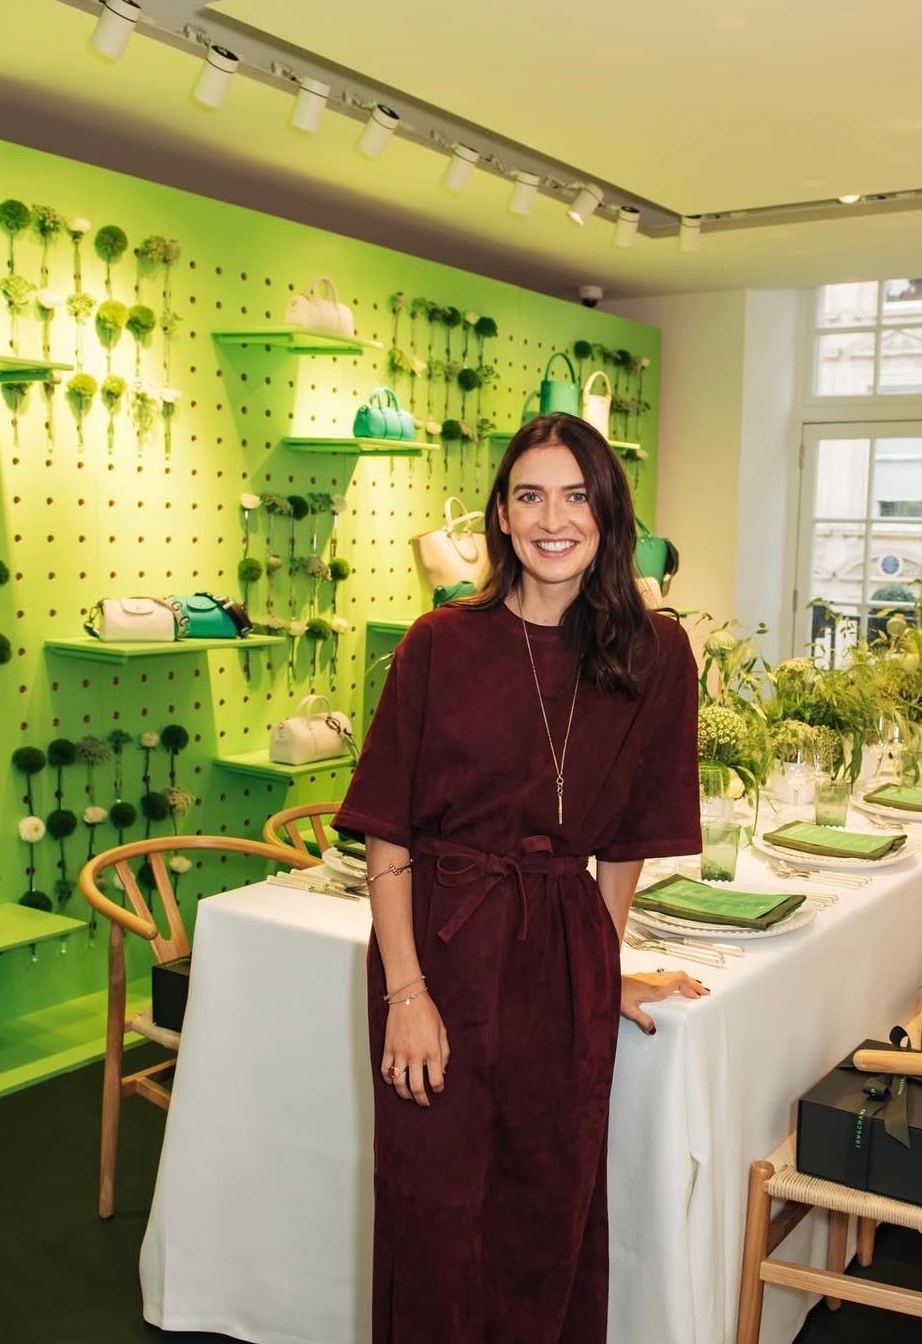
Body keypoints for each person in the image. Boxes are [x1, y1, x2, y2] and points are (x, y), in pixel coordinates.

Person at [334, 412, 704, 1343]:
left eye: (576, 496)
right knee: (435, 1213)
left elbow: (626, 841)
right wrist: (406, 994)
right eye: (530, 495)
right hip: (442, 957)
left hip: (563, 961)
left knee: (551, 1207)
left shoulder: (656, 656)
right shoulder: (440, 642)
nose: (553, 519)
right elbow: (387, 835)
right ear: (499, 516)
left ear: (606, 515)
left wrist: (600, 964)